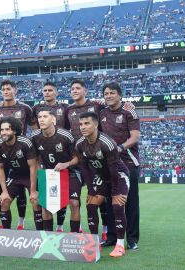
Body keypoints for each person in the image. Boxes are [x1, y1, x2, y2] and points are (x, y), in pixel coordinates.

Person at [75, 111, 130, 257]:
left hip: (119, 175)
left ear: (96, 125)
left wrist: (116, 192)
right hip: (101, 176)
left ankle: (119, 245)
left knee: (117, 205)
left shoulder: (107, 143)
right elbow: (85, 169)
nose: (83, 127)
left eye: (87, 123)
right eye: (80, 124)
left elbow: (113, 170)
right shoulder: (80, 144)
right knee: (91, 204)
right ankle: (94, 243)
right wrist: (91, 190)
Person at [99, 82, 141, 250]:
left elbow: (135, 137)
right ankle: (112, 237)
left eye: (112, 93)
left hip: (128, 161)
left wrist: (120, 147)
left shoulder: (129, 111)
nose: (108, 96)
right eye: (106, 93)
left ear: (120, 95)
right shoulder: (101, 112)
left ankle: (132, 239)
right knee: (110, 201)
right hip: (109, 164)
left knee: (130, 201)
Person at [30, 109, 81, 232]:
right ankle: (48, 237)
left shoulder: (65, 136)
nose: (41, 119)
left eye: (45, 116)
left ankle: (73, 236)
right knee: (45, 206)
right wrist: (35, 185)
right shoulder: (35, 136)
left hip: (70, 173)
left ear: (53, 119)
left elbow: (77, 158)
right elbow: (35, 160)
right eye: (39, 117)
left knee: (74, 203)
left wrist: (66, 164)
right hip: (49, 174)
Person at [0, 80, 32, 230]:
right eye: (3, 89)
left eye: (8, 89)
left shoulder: (24, 108)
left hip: (22, 153)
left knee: (22, 191)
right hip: (6, 154)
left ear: (15, 90)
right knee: (4, 190)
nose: (6, 91)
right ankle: (3, 225)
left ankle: (21, 223)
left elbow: (34, 127)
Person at [31, 81, 69, 232]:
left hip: (62, 152)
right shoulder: (35, 108)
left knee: (66, 200)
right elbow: (32, 123)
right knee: (46, 202)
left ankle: (64, 226)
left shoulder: (65, 108)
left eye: (50, 90)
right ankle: (47, 233)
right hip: (45, 156)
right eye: (44, 90)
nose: (47, 93)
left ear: (56, 92)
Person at [0, 117, 41, 229]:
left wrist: (33, 191)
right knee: (4, 201)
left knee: (35, 201)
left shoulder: (25, 143)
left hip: (29, 176)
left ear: (14, 130)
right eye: (2, 130)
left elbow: (33, 166)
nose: (4, 132)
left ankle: (41, 234)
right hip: (14, 176)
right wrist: (4, 192)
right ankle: (7, 234)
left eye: (7, 129)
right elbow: (0, 168)